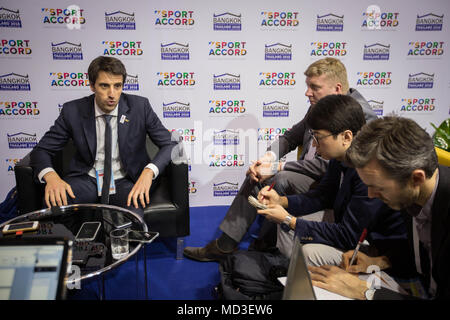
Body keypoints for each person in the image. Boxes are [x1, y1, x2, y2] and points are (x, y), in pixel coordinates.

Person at [184, 57, 377, 262]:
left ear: (337, 88)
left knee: (280, 178)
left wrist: (276, 168)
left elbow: (327, 163)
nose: (307, 93)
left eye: (314, 87)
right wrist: (268, 158)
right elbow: (291, 136)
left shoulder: (361, 119)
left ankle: (257, 248)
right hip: (322, 179)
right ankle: (242, 245)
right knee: (260, 176)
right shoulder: (321, 104)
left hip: (328, 181)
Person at [308, 117, 450, 300]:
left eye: (378, 187)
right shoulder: (410, 192)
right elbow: (422, 258)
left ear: (416, 179)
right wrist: (380, 262)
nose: (370, 195)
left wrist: (367, 292)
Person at [255, 95, 407, 266]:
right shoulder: (340, 158)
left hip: (376, 250)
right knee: (287, 223)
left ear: (346, 137)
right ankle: (288, 274)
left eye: (318, 137)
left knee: (306, 248)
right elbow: (323, 196)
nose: (314, 145)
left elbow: (348, 236)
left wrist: (289, 220)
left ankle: (297, 281)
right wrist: (281, 201)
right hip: (349, 229)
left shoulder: (368, 172)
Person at [30, 56, 177, 216]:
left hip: (127, 179)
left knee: (132, 217)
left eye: (117, 86)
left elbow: (170, 144)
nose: (112, 94)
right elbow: (41, 150)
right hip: (86, 178)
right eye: (104, 86)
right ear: (92, 86)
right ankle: (73, 242)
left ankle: (123, 241)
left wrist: (148, 173)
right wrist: (51, 177)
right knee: (56, 205)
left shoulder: (140, 107)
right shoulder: (72, 111)